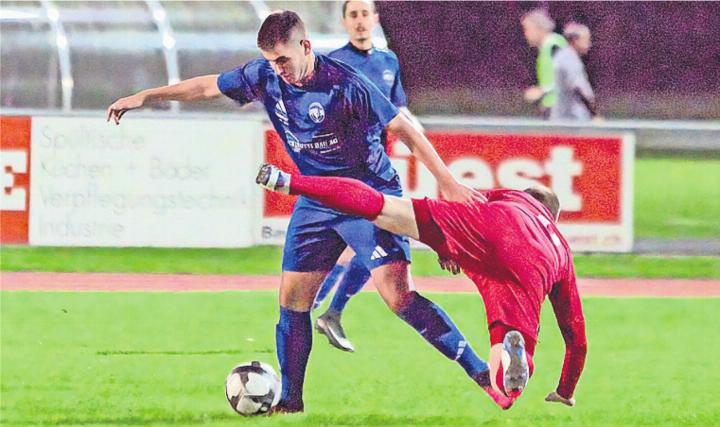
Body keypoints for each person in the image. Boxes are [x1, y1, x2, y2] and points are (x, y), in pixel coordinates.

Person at [107, 10, 509, 413]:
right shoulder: (265, 76)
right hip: (318, 200)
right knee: (292, 300)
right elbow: (207, 86)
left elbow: (404, 128)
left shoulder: (346, 84)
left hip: (368, 197)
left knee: (397, 296)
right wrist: (146, 97)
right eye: (270, 61)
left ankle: (480, 372)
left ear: (305, 47)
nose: (277, 70)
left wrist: (448, 182)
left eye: (283, 60)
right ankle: (291, 401)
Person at [257, 163, 588, 407]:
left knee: (379, 206)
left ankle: (289, 182)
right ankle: (513, 362)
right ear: (554, 217)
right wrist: (566, 390)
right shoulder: (561, 249)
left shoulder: (512, 197)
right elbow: (577, 338)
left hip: (487, 224)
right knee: (506, 386)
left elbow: (463, 198)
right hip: (531, 268)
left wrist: (446, 246)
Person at [312, 0, 424, 353]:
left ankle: (322, 311)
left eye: (365, 14)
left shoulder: (388, 61)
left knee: (378, 240)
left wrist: (418, 134)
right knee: (370, 242)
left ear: (375, 19)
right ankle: (319, 311)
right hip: (346, 170)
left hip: (379, 169)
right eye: (353, 15)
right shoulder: (334, 63)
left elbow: (399, 108)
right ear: (344, 23)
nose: (360, 22)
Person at [521, 9, 568, 118]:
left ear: (539, 29)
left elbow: (568, 78)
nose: (525, 34)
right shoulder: (546, 48)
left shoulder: (554, 46)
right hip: (553, 107)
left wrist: (542, 91)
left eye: (527, 29)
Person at [550, 23, 597, 121]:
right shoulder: (570, 60)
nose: (589, 44)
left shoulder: (562, 56)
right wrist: (594, 114)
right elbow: (580, 89)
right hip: (571, 119)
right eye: (586, 40)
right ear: (575, 40)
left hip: (561, 116)